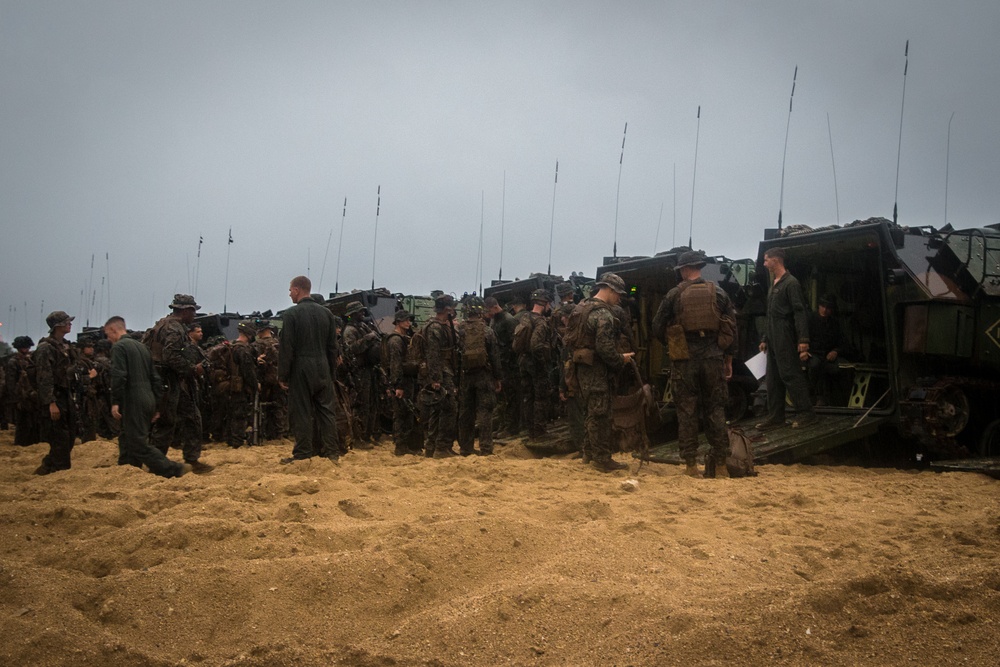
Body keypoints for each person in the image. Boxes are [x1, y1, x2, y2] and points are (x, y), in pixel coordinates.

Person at [652, 250, 738, 478]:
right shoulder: (719, 292)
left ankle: (691, 465)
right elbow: (731, 328)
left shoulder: (674, 294)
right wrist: (728, 358)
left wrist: (673, 345)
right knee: (715, 409)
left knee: (687, 411)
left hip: (685, 359)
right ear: (699, 267)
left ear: (683, 269)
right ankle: (720, 465)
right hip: (713, 357)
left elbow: (657, 326)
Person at [104, 316, 191, 477]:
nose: (107, 338)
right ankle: (128, 469)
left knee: (137, 442)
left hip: (132, 399)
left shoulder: (119, 348)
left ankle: (173, 469)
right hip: (148, 399)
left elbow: (119, 376)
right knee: (127, 437)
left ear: (113, 330)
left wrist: (115, 401)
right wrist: (156, 404)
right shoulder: (142, 347)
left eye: (107, 334)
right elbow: (155, 378)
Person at [566, 274, 634, 473]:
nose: (619, 299)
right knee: (601, 414)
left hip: (581, 367)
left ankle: (588, 453)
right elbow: (604, 348)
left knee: (590, 411)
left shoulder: (581, 307)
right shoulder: (603, 313)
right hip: (596, 369)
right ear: (610, 290)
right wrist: (621, 360)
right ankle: (602, 459)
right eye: (618, 294)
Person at [147, 295, 214, 473]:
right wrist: (192, 369)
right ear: (185, 310)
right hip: (168, 379)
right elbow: (171, 356)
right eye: (193, 311)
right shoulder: (174, 328)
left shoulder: (162, 323)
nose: (194, 315)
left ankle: (191, 460)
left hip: (169, 379)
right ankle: (157, 464)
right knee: (166, 422)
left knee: (191, 416)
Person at [278, 275, 340, 462]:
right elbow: (332, 347)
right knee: (327, 412)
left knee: (302, 412)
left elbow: (286, 348)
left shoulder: (290, 315)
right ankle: (332, 453)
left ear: (297, 290)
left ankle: (303, 454)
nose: (289, 294)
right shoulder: (327, 314)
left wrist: (283, 375)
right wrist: (331, 373)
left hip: (301, 367)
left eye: (290, 290)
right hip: (323, 367)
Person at [757, 247, 816, 429]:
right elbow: (770, 313)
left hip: (785, 333)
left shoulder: (791, 283)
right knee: (773, 378)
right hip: (773, 333)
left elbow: (799, 312)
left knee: (790, 374)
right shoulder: (774, 283)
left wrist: (803, 340)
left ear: (776, 260)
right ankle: (776, 417)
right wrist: (765, 338)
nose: (765, 264)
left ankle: (806, 413)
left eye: (767, 260)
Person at [32, 311, 80, 475]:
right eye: (67, 322)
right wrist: (51, 402)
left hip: (66, 395)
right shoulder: (46, 348)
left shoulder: (65, 346)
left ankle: (49, 466)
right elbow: (44, 377)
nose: (70, 324)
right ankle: (58, 471)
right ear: (58, 326)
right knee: (60, 438)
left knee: (70, 435)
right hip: (55, 397)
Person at [457, 296, 502, 455]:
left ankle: (465, 448)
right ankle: (486, 448)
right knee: (485, 412)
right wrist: (498, 377)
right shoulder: (488, 330)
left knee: (466, 413)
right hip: (484, 375)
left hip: (465, 376)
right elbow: (494, 356)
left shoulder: (459, 330)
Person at [418, 293, 459, 458]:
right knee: (449, 409)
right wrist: (436, 379)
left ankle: (432, 447)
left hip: (442, 370)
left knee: (437, 410)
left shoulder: (439, 325)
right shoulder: (435, 328)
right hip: (441, 372)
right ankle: (441, 447)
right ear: (447, 309)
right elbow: (433, 355)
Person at [384, 309, 422, 456]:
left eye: (409, 320)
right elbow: (395, 364)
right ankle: (400, 446)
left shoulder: (403, 338)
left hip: (408, 380)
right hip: (402, 382)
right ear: (399, 322)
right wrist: (398, 385)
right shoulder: (395, 340)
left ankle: (407, 445)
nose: (409, 322)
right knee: (402, 414)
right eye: (406, 320)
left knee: (409, 413)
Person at [518, 289, 555, 439]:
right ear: (545, 304)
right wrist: (542, 362)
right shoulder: (540, 322)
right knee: (540, 397)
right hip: (535, 364)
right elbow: (536, 345)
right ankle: (539, 431)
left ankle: (530, 430)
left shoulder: (525, 318)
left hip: (523, 361)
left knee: (528, 397)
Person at [486, 296, 520, 437]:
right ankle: (503, 425)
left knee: (510, 398)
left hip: (509, 366)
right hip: (500, 365)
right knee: (501, 399)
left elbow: (515, 344)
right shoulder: (495, 320)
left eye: (489, 311)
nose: (488, 315)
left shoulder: (508, 320)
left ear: (495, 307)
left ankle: (511, 428)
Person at [226, 321, 260, 447]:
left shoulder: (230, 345)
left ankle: (230, 439)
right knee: (239, 414)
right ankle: (237, 441)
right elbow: (248, 372)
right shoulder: (243, 350)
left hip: (229, 385)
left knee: (232, 413)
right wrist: (255, 385)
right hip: (240, 387)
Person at [806, 295, 842, 406]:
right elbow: (802, 337)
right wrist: (803, 350)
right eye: (822, 306)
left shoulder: (834, 323)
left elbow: (841, 341)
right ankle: (813, 397)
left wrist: (835, 351)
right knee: (815, 365)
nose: (825, 310)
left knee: (839, 368)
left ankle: (836, 400)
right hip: (812, 353)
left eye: (828, 308)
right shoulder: (810, 319)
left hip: (828, 354)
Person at [6, 336, 40, 446]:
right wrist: (16, 400)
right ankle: (21, 443)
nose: (27, 349)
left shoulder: (29, 360)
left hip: (31, 395)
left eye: (28, 347)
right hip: (21, 396)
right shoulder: (13, 362)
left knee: (33, 421)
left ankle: (32, 441)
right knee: (22, 422)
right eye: (24, 347)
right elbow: (10, 382)